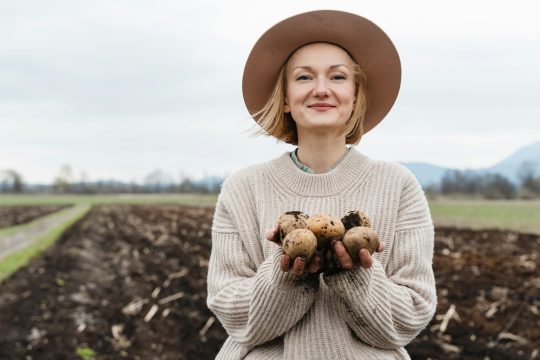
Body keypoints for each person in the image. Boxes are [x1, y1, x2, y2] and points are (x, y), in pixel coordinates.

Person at [207, 10, 436, 360]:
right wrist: (285, 275)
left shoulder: (398, 185)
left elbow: (411, 315)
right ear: (284, 98)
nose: (321, 89)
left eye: (338, 77)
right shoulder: (242, 189)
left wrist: (354, 276)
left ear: (356, 96)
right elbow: (233, 313)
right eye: (303, 77)